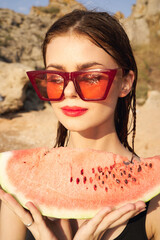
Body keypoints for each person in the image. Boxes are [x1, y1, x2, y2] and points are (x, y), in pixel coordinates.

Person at [0, 9, 159, 240]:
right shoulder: (18, 200)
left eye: (92, 77)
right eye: (55, 78)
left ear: (125, 83)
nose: (69, 91)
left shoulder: (155, 207)